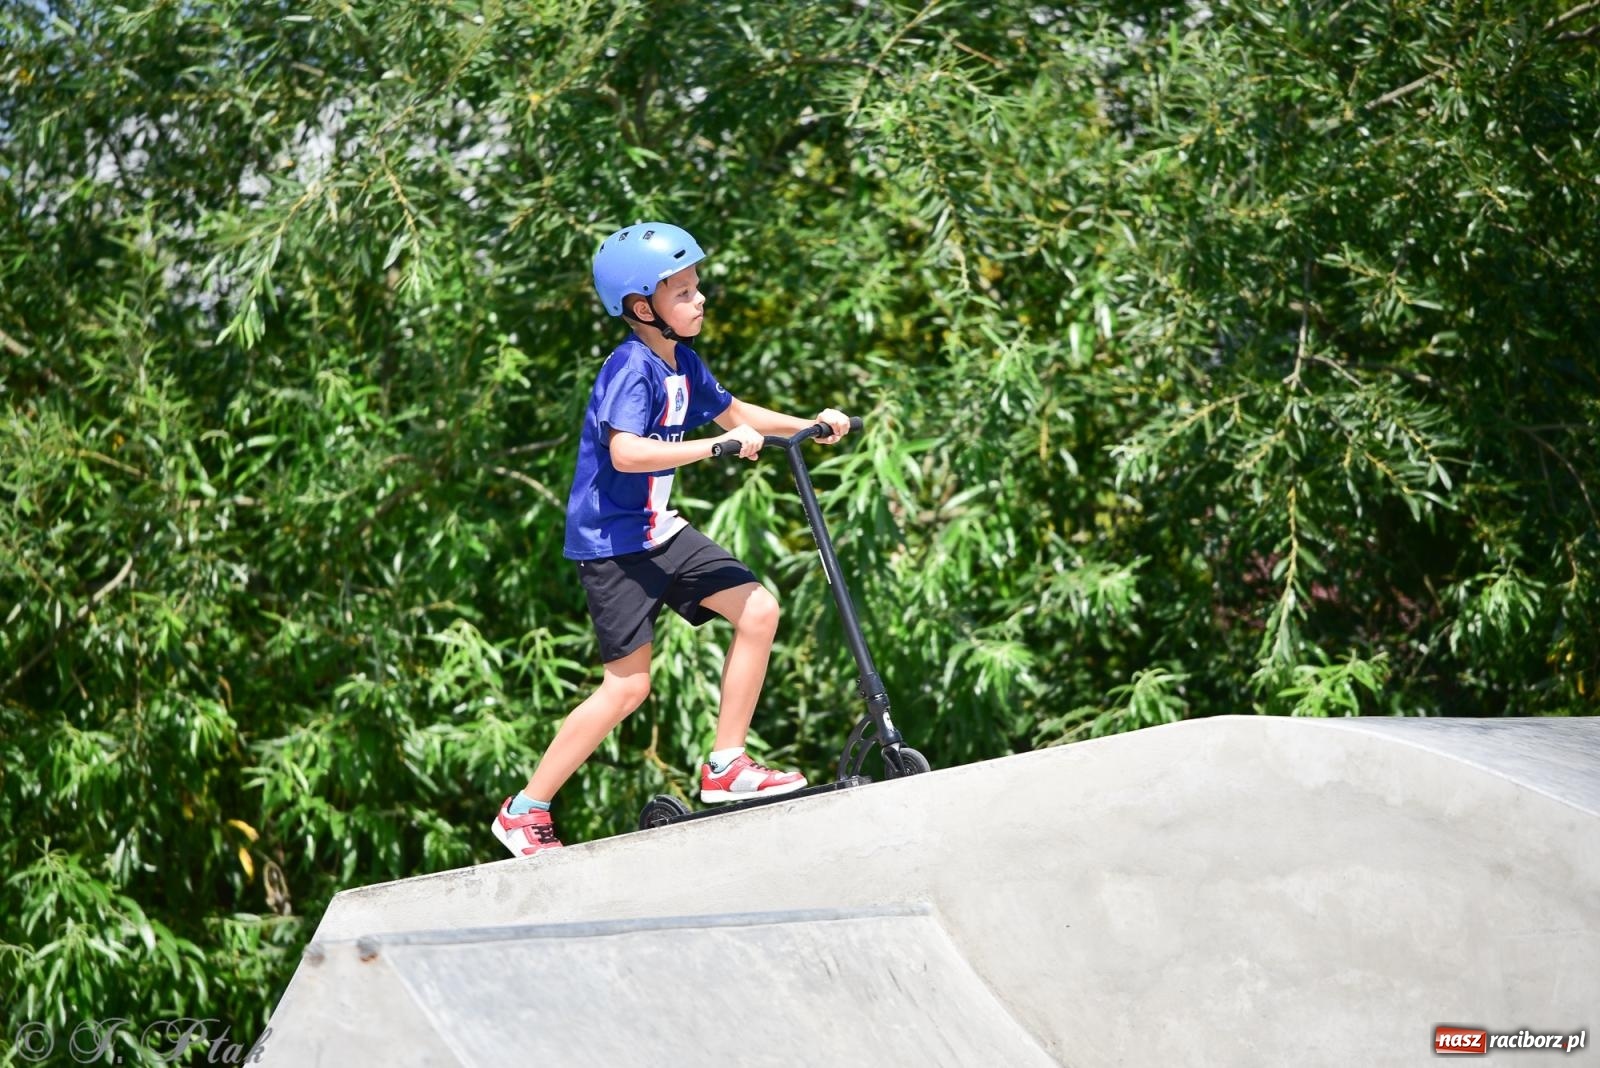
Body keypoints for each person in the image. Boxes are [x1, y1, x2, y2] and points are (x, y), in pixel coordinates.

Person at [491, 222, 852, 857]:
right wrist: (714, 448)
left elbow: (735, 413)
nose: (699, 298)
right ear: (641, 308)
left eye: (695, 286)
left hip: (660, 530)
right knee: (627, 688)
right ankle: (526, 810)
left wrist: (811, 424)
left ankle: (726, 765)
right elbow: (626, 452)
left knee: (759, 610)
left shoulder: (682, 360)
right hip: (615, 545)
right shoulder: (631, 368)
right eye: (682, 291)